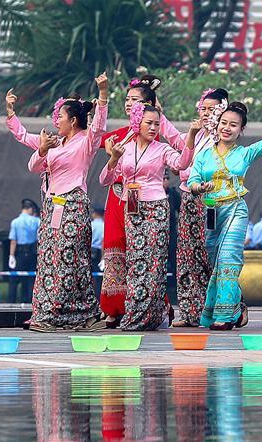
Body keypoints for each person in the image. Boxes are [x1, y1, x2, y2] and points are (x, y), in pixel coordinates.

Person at [187, 101, 262, 330]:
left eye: (234, 125)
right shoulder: (203, 155)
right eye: (224, 123)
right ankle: (236, 307)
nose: (227, 128)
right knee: (215, 263)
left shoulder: (245, 153)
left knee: (229, 260)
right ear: (216, 125)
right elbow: (192, 181)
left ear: (241, 130)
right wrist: (200, 188)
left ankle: (224, 316)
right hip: (211, 213)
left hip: (235, 210)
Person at [20, 73, 110, 332]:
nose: (56, 120)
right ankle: (76, 314)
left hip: (72, 204)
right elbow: (35, 167)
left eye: (60, 116)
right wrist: (43, 149)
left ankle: (56, 314)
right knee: (51, 258)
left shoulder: (85, 142)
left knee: (69, 258)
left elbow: (99, 127)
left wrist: (102, 93)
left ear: (73, 120)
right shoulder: (57, 144)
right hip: (51, 207)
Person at [99, 103, 199, 330]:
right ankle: (144, 314)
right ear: (137, 123)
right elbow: (104, 179)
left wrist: (191, 135)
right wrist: (113, 158)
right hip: (131, 208)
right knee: (135, 261)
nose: (153, 128)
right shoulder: (124, 146)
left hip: (155, 207)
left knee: (152, 262)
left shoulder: (162, 149)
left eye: (157, 124)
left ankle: (142, 316)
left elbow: (182, 163)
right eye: (149, 123)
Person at [171, 88, 230, 328]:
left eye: (213, 109)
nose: (206, 114)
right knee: (187, 255)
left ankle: (228, 307)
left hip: (213, 201)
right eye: (203, 109)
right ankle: (190, 310)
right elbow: (182, 167)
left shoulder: (224, 139)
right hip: (189, 198)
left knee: (211, 255)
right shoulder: (195, 136)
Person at [7, 198, 40, 304]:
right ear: (30, 209)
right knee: (31, 278)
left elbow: (13, 241)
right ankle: (29, 302)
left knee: (14, 279)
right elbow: (40, 238)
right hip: (32, 253)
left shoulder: (15, 222)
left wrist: (11, 256)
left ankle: (10, 303)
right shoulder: (36, 221)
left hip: (19, 253)